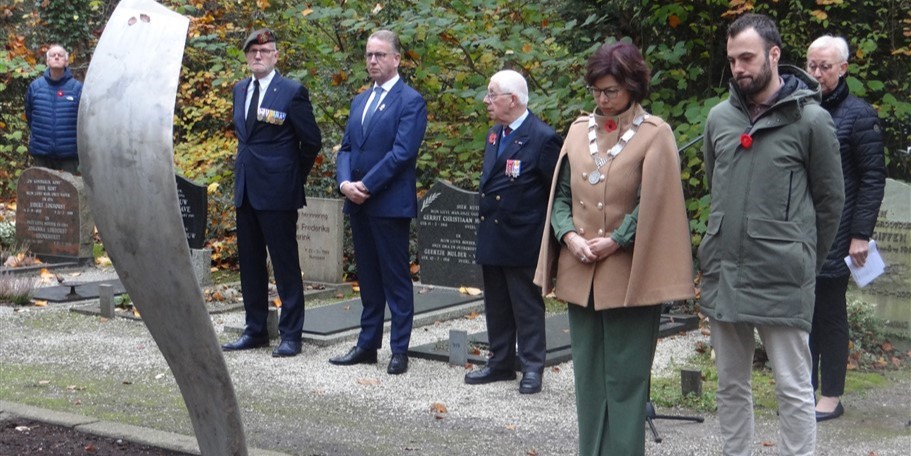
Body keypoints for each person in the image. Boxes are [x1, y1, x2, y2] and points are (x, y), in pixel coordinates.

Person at [534, 41, 695, 455]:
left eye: (611, 91)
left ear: (633, 87)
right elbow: (561, 198)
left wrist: (616, 240)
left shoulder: (655, 134)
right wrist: (569, 236)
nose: (602, 100)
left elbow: (655, 204)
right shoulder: (575, 131)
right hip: (580, 274)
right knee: (588, 381)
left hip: (629, 277)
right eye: (597, 91)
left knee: (625, 382)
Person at [699, 14, 844, 455]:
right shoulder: (720, 118)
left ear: (774, 54)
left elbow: (830, 202)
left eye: (748, 57)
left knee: (794, 389)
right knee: (730, 386)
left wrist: (804, 259)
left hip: (783, 274)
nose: (739, 67)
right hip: (725, 271)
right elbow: (714, 186)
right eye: (732, 60)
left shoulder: (811, 121)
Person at [330, 30, 427, 375]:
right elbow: (346, 148)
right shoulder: (360, 101)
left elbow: (402, 153)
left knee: (395, 278)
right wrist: (344, 184)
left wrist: (366, 185)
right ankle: (367, 344)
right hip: (357, 201)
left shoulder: (410, 101)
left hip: (387, 203)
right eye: (369, 55)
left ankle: (399, 349)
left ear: (396, 59)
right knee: (368, 279)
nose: (373, 61)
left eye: (380, 55)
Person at [221, 28, 322, 358]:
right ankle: (255, 329)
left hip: (278, 193)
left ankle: (291, 334)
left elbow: (311, 141)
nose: (258, 56)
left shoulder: (291, 91)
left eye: (265, 51)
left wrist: (292, 177)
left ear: (276, 56)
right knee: (249, 264)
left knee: (284, 264)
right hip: (247, 189)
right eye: (252, 52)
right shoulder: (239, 90)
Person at [465, 70, 562, 394]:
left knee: (526, 305)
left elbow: (555, 193)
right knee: (497, 303)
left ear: (513, 99)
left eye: (492, 94)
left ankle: (532, 367)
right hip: (493, 233)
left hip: (523, 236)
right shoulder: (496, 134)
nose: (486, 100)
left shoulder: (543, 137)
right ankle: (501, 362)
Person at [805, 35, 886, 422]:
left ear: (843, 69)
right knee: (800, 314)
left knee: (830, 313)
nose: (817, 74)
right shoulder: (799, 108)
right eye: (811, 66)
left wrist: (860, 234)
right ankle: (802, 388)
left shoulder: (860, 114)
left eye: (825, 67)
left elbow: (872, 178)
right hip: (801, 232)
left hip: (839, 233)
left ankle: (831, 394)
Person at [25, 44, 83, 174]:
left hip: (69, 155)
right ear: (47, 61)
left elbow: (83, 120)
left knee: (68, 192)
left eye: (60, 55)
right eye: (53, 55)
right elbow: (29, 116)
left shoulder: (77, 89)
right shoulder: (35, 87)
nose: (56, 57)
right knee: (40, 193)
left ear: (66, 61)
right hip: (41, 153)